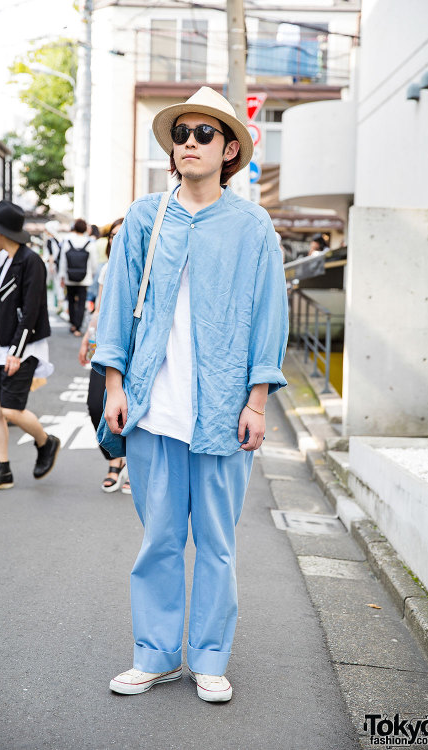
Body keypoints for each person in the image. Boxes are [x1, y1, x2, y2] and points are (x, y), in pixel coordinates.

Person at [92, 86, 288, 702]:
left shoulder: (252, 225)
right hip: (152, 406)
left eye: (204, 134)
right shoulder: (146, 218)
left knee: (218, 543)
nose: (189, 144)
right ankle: (153, 655)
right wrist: (115, 386)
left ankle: (208, 657)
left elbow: (268, 317)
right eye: (182, 134)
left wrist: (257, 402)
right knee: (159, 540)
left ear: (229, 149)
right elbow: (119, 306)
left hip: (226, 410)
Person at [0, 200, 60, 491]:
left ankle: (46, 442)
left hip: (22, 348)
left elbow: (31, 309)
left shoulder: (31, 262)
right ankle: (2, 470)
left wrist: (17, 351)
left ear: (1, 234)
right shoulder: (3, 261)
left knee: (11, 410)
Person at [78, 219, 129, 493]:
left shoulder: (144, 267)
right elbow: (99, 309)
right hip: (105, 346)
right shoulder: (107, 269)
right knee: (95, 405)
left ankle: (129, 465)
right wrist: (88, 337)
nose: (116, 240)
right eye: (112, 236)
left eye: (122, 236)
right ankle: (115, 458)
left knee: (131, 407)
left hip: (133, 349)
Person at [59, 218, 98, 335]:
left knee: (70, 300)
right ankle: (78, 327)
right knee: (81, 302)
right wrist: (92, 273)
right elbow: (94, 262)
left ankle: (73, 323)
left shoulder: (67, 241)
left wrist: (62, 276)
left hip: (69, 277)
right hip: (84, 278)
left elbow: (63, 261)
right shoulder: (89, 242)